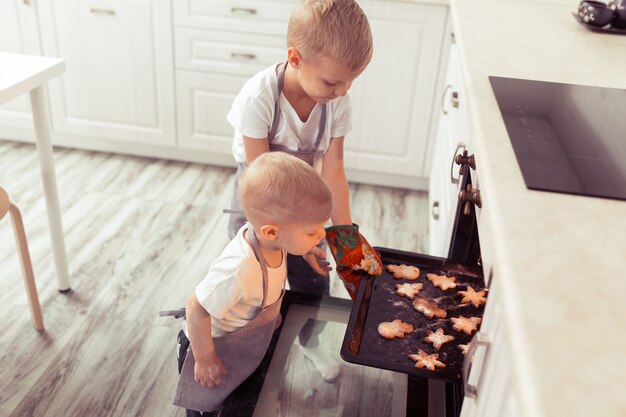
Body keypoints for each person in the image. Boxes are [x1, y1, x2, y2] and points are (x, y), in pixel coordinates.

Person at [226, 0, 382, 301]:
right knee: (255, 284)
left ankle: (309, 342)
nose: (343, 91)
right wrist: (297, 240)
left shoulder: (336, 101)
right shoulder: (259, 97)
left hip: (304, 198)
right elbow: (263, 181)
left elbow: (333, 171)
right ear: (295, 59)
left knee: (313, 280)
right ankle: (259, 336)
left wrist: (345, 239)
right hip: (260, 203)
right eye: (333, 81)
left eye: (350, 81)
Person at [174, 152, 333, 416]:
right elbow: (196, 308)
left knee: (238, 396)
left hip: (242, 341)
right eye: (312, 232)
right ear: (272, 231)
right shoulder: (238, 268)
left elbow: (287, 241)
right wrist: (205, 359)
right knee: (208, 405)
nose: (322, 235)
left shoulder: (273, 239)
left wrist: (305, 248)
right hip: (210, 345)